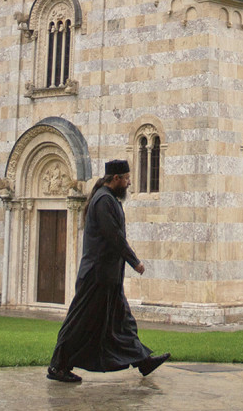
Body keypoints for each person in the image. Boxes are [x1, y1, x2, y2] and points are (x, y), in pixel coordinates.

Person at [47, 159, 170, 383]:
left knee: (123, 322)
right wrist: (134, 261)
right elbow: (114, 235)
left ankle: (143, 361)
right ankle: (58, 366)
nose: (129, 182)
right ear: (116, 179)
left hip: (108, 277)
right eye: (126, 178)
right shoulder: (103, 201)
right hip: (96, 277)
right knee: (80, 321)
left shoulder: (108, 199)